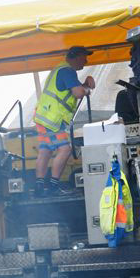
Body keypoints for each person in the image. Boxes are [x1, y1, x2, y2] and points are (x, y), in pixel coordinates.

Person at [33, 46, 95, 192]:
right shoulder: (67, 71)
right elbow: (79, 93)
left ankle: (40, 186)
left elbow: (73, 90)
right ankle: (54, 186)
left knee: (45, 150)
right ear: (76, 57)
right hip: (53, 119)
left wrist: (85, 84)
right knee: (65, 150)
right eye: (84, 57)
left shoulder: (61, 70)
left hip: (44, 116)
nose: (86, 60)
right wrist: (87, 88)